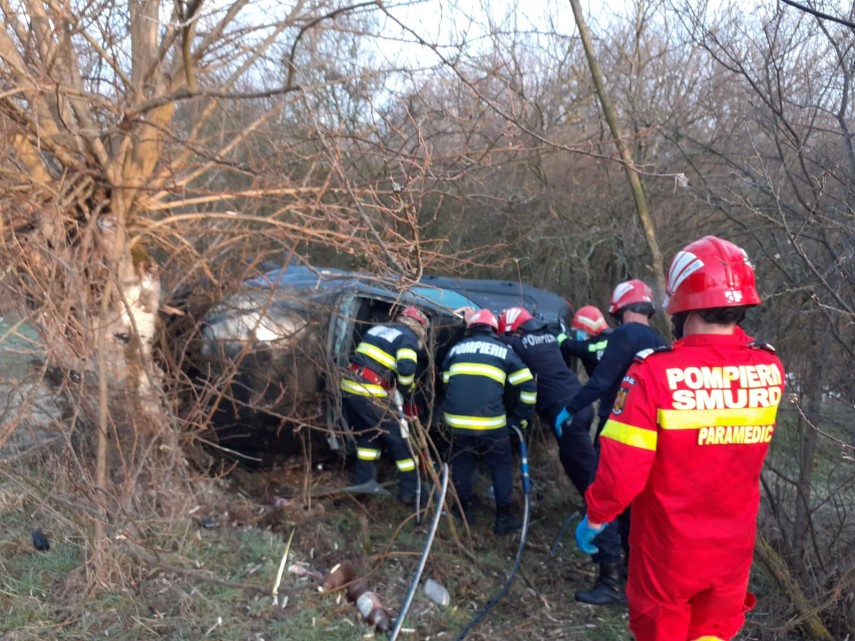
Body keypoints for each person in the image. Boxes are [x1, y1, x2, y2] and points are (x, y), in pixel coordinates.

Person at [575, 236, 785, 641]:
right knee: (714, 632)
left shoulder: (653, 373)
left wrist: (597, 516)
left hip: (667, 554)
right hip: (732, 553)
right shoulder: (768, 367)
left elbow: (623, 473)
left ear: (681, 301)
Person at [555, 278, 667, 605]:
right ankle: (631, 576)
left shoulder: (625, 334)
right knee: (632, 507)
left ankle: (609, 583)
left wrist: (570, 408)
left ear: (618, 309)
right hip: (650, 435)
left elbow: (602, 380)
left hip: (617, 431)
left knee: (602, 497)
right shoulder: (660, 342)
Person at [442, 308, 536, 535]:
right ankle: (503, 519)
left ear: (471, 329)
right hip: (491, 424)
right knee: (500, 466)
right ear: (494, 329)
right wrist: (520, 419)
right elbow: (528, 387)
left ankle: (462, 511)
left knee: (462, 463)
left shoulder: (455, 350)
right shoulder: (505, 352)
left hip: (456, 423)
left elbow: (446, 382)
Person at [340, 305, 428, 506]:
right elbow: (406, 368)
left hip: (350, 388)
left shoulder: (379, 329)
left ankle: (363, 484)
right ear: (420, 326)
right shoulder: (408, 337)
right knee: (402, 442)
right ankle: (411, 492)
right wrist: (408, 390)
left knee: (370, 435)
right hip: (370, 392)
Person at [558, 305, 613, 377]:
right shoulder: (612, 336)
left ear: (591, 329)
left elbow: (568, 345)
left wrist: (555, 334)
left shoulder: (592, 347)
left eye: (581, 330)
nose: (578, 333)